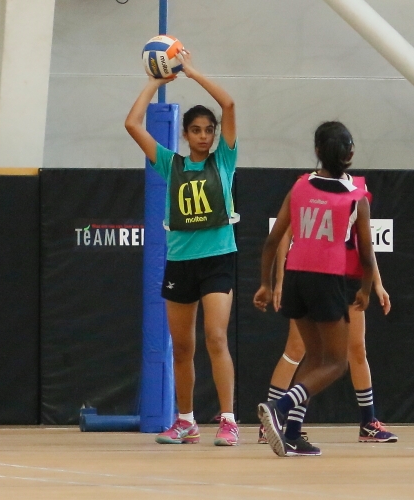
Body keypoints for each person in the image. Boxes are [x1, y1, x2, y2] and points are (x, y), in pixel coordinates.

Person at [125, 49, 240, 446]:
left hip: (217, 260)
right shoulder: (170, 163)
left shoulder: (224, 160)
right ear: (185, 134)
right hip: (180, 262)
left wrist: (191, 72)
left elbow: (228, 103)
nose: (205, 136)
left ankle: (228, 420)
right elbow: (131, 123)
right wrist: (156, 81)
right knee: (183, 346)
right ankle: (186, 421)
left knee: (216, 338)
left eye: (209, 129)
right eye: (197, 130)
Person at [254, 121, 375, 457]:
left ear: (317, 150)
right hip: (327, 279)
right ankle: (279, 409)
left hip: (295, 276)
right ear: (351, 154)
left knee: (315, 356)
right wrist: (365, 289)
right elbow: (365, 254)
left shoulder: (300, 186)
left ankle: (292, 433)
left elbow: (271, 241)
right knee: (337, 363)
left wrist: (266, 283)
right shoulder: (356, 198)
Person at [260, 205, 398, 445]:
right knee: (297, 349)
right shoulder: (310, 188)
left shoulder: (354, 194)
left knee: (356, 349)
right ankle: (271, 422)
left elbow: (365, 245)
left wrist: (377, 283)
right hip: (314, 273)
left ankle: (368, 422)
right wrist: (280, 280)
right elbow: (286, 234)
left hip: (348, 277)